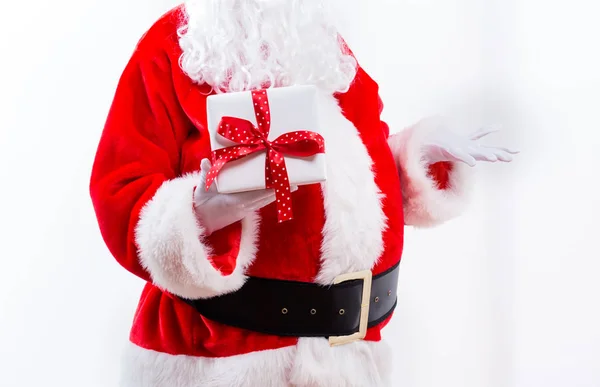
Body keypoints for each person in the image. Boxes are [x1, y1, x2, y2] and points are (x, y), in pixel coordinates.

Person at [89, 0, 517, 386]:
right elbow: (118, 187)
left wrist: (417, 157)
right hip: (221, 360)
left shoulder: (319, 40)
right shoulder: (174, 45)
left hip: (348, 357)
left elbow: (353, 172)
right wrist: (199, 216)